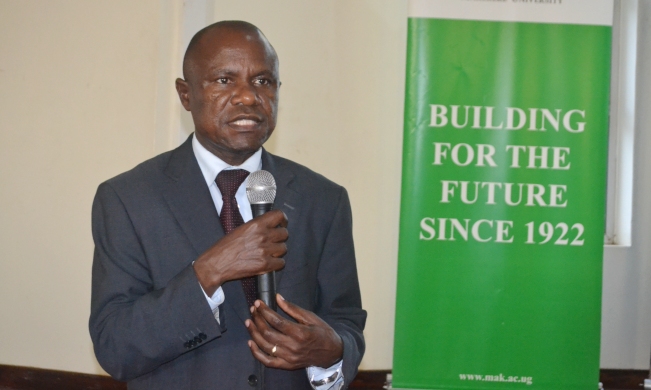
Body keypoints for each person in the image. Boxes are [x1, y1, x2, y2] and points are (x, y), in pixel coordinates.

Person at [89, 21, 366, 389]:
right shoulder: (128, 198)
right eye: (224, 80)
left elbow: (346, 323)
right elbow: (115, 346)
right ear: (186, 95)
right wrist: (209, 271)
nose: (248, 97)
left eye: (263, 81)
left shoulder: (324, 199)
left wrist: (330, 350)